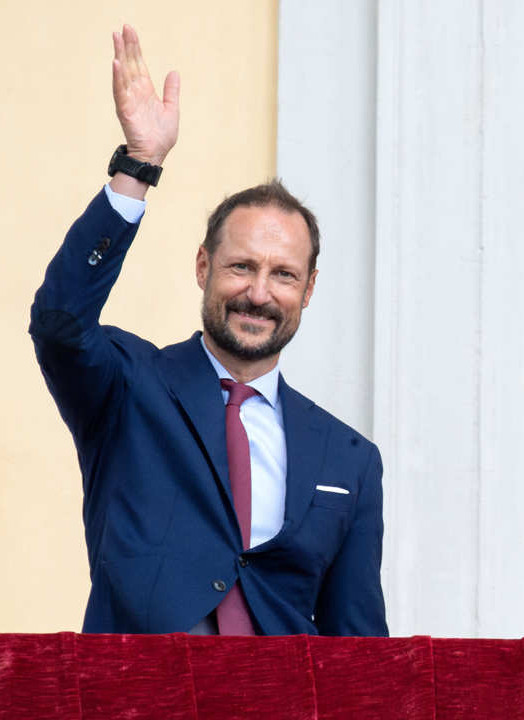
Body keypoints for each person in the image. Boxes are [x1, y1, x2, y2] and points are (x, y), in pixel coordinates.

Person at [30, 25, 387, 636]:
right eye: (241, 266)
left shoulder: (350, 458)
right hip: (143, 701)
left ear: (308, 289)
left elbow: (357, 642)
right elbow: (60, 323)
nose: (258, 293)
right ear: (203, 267)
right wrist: (139, 167)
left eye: (283, 275)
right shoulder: (128, 388)